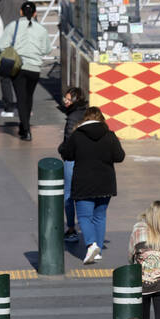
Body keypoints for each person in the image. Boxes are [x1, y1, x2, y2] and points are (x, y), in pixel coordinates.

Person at [58, 106, 125, 265]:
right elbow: (119, 156)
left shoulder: (77, 136)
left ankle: (91, 244)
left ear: (85, 119)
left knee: (83, 217)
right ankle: (98, 251)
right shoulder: (109, 135)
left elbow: (66, 154)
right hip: (106, 183)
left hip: (84, 182)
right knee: (99, 217)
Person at [0, 1, 48, 140]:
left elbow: (1, 45)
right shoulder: (41, 29)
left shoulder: (13, 26)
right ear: (35, 13)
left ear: (20, 12)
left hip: (18, 67)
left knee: (20, 97)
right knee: (28, 96)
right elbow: (46, 49)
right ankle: (24, 124)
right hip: (35, 68)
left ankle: (26, 129)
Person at [59, 87, 87, 241]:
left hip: (72, 159)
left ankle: (71, 228)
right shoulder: (86, 113)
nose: (65, 101)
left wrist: (61, 150)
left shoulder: (72, 117)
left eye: (68, 99)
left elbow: (69, 141)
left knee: (69, 194)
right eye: (65, 98)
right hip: (87, 159)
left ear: (75, 100)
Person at [0, 0, 24, 117]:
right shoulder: (24, 3)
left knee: (5, 77)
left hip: (4, 46)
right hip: (22, 45)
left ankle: (8, 107)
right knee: (21, 76)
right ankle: (24, 104)